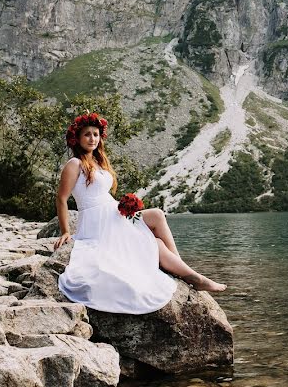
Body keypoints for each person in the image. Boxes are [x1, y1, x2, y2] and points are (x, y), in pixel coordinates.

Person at [55, 112, 225, 314]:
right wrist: (65, 231)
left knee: (157, 216)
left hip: (112, 213)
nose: (92, 138)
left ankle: (182, 268)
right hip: (97, 221)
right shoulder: (75, 164)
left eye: (96, 134)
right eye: (87, 135)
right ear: (78, 138)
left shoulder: (99, 163)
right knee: (156, 242)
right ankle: (192, 276)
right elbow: (62, 198)